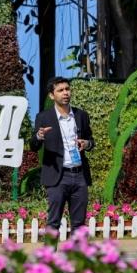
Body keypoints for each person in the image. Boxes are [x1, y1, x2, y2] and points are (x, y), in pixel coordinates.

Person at [30, 77, 95, 235]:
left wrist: (86, 144)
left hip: (79, 175)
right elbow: (33, 145)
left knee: (79, 224)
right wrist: (39, 136)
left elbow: (91, 141)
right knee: (53, 222)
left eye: (67, 89)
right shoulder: (43, 117)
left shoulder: (81, 115)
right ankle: (49, 251)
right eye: (60, 90)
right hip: (57, 177)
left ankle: (77, 252)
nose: (65, 93)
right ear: (52, 95)